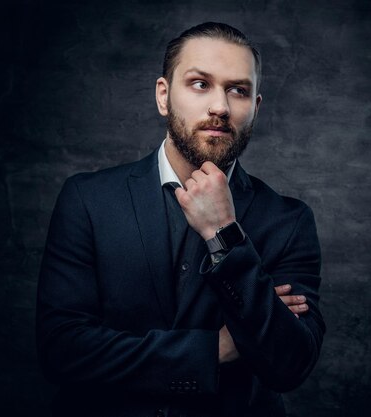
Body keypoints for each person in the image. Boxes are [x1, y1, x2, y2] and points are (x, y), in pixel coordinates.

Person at [36, 22, 325, 417]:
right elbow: (62, 350)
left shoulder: (288, 221)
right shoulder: (88, 199)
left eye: (238, 90)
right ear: (163, 96)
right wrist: (214, 350)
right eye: (200, 84)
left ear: (254, 108)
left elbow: (289, 364)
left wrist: (224, 234)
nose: (220, 107)